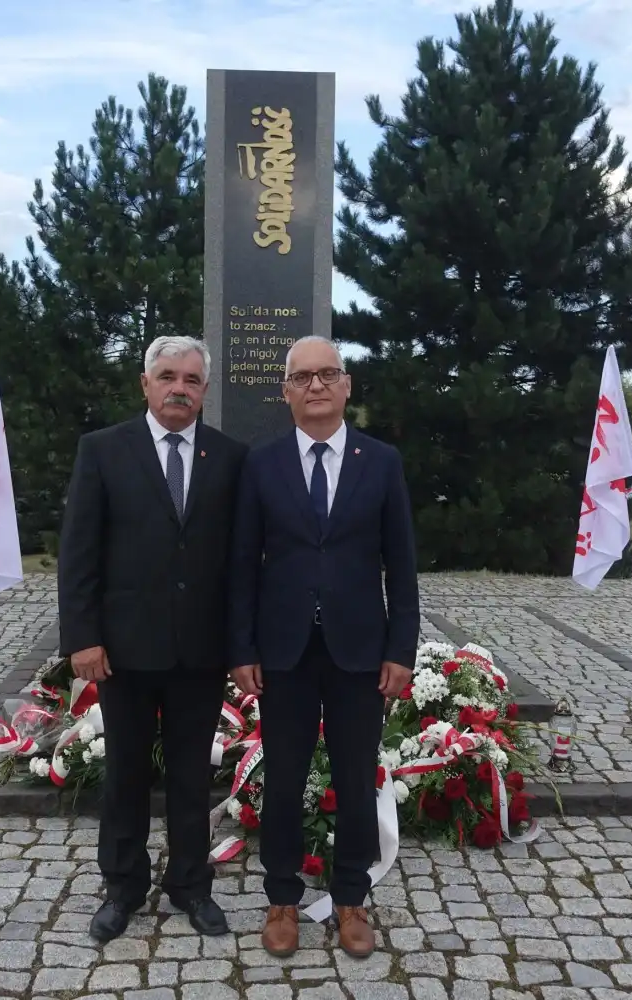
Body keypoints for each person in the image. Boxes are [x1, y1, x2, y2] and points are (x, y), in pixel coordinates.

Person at [229, 335, 419, 959]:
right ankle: (282, 898)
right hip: (283, 652)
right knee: (284, 779)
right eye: (302, 377)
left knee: (356, 778)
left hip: (359, 651)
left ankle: (351, 899)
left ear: (346, 386)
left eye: (327, 374)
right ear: (285, 391)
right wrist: (242, 647)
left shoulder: (381, 461)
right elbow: (242, 565)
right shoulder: (261, 464)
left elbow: (402, 564)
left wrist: (401, 649)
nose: (316, 385)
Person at [58, 335, 247, 943]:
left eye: (191, 380)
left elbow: (241, 562)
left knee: (193, 776)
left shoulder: (230, 457)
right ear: (145, 383)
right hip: (125, 650)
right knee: (126, 775)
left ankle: (191, 885)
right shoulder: (103, 450)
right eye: (167, 377)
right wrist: (83, 637)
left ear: (205, 390)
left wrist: (241, 645)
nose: (178, 389)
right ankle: (123, 887)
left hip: (200, 650)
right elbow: (79, 552)